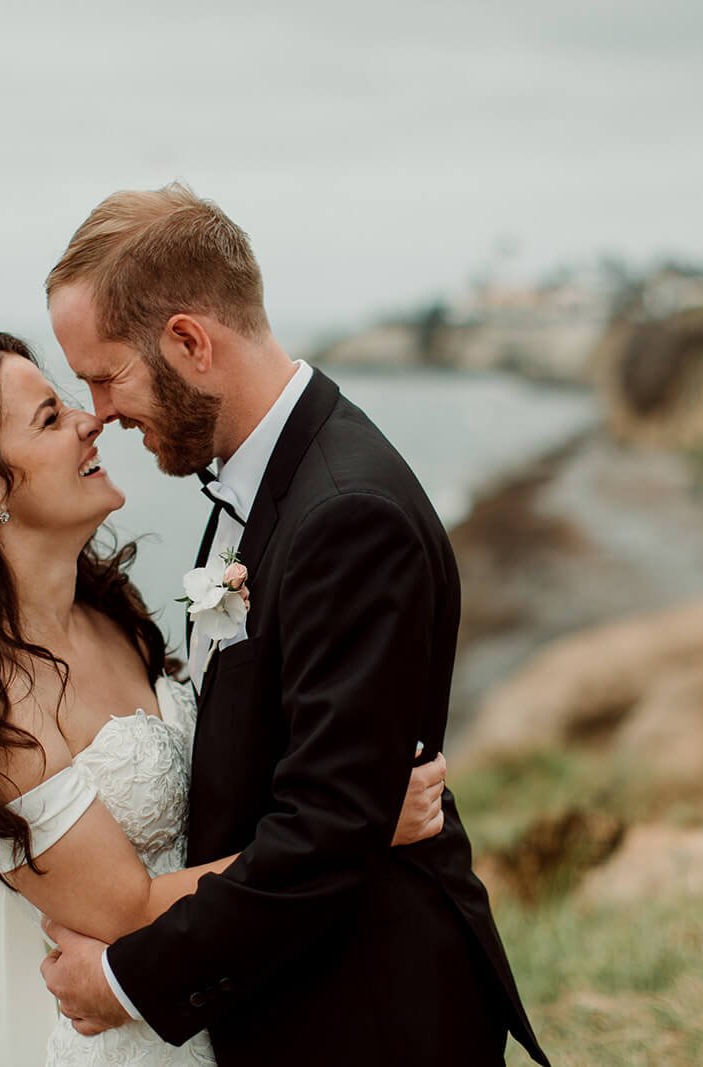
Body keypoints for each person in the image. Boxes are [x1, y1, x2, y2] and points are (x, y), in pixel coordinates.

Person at [39, 184, 550, 1067]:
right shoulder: (259, 480)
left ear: (191, 343)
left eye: (104, 373)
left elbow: (324, 833)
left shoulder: (347, 514)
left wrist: (126, 978)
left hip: (368, 1014)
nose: (100, 412)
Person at [0, 332, 447, 1066]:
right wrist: (356, 826)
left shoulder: (108, 613)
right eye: (49, 418)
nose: (89, 419)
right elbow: (127, 909)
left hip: (237, 997)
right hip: (142, 1039)